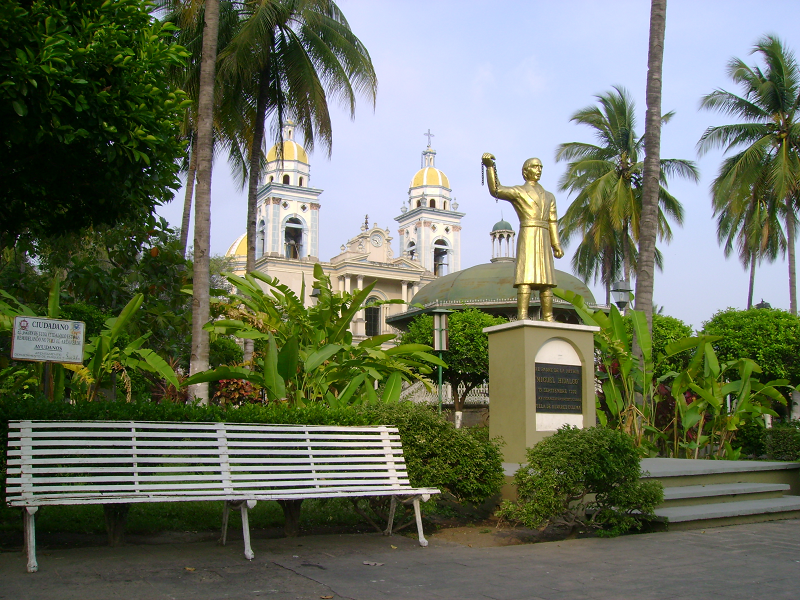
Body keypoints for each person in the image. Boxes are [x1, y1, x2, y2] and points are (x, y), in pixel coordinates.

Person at [481, 153, 564, 321]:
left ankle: (548, 316)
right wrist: (490, 167)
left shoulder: (549, 196)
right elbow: (496, 189)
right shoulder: (519, 192)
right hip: (528, 234)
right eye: (535, 166)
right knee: (525, 277)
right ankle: (522, 315)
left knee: (546, 281)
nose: (539, 170)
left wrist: (556, 244)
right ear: (525, 171)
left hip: (544, 235)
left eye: (540, 167)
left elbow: (553, 221)